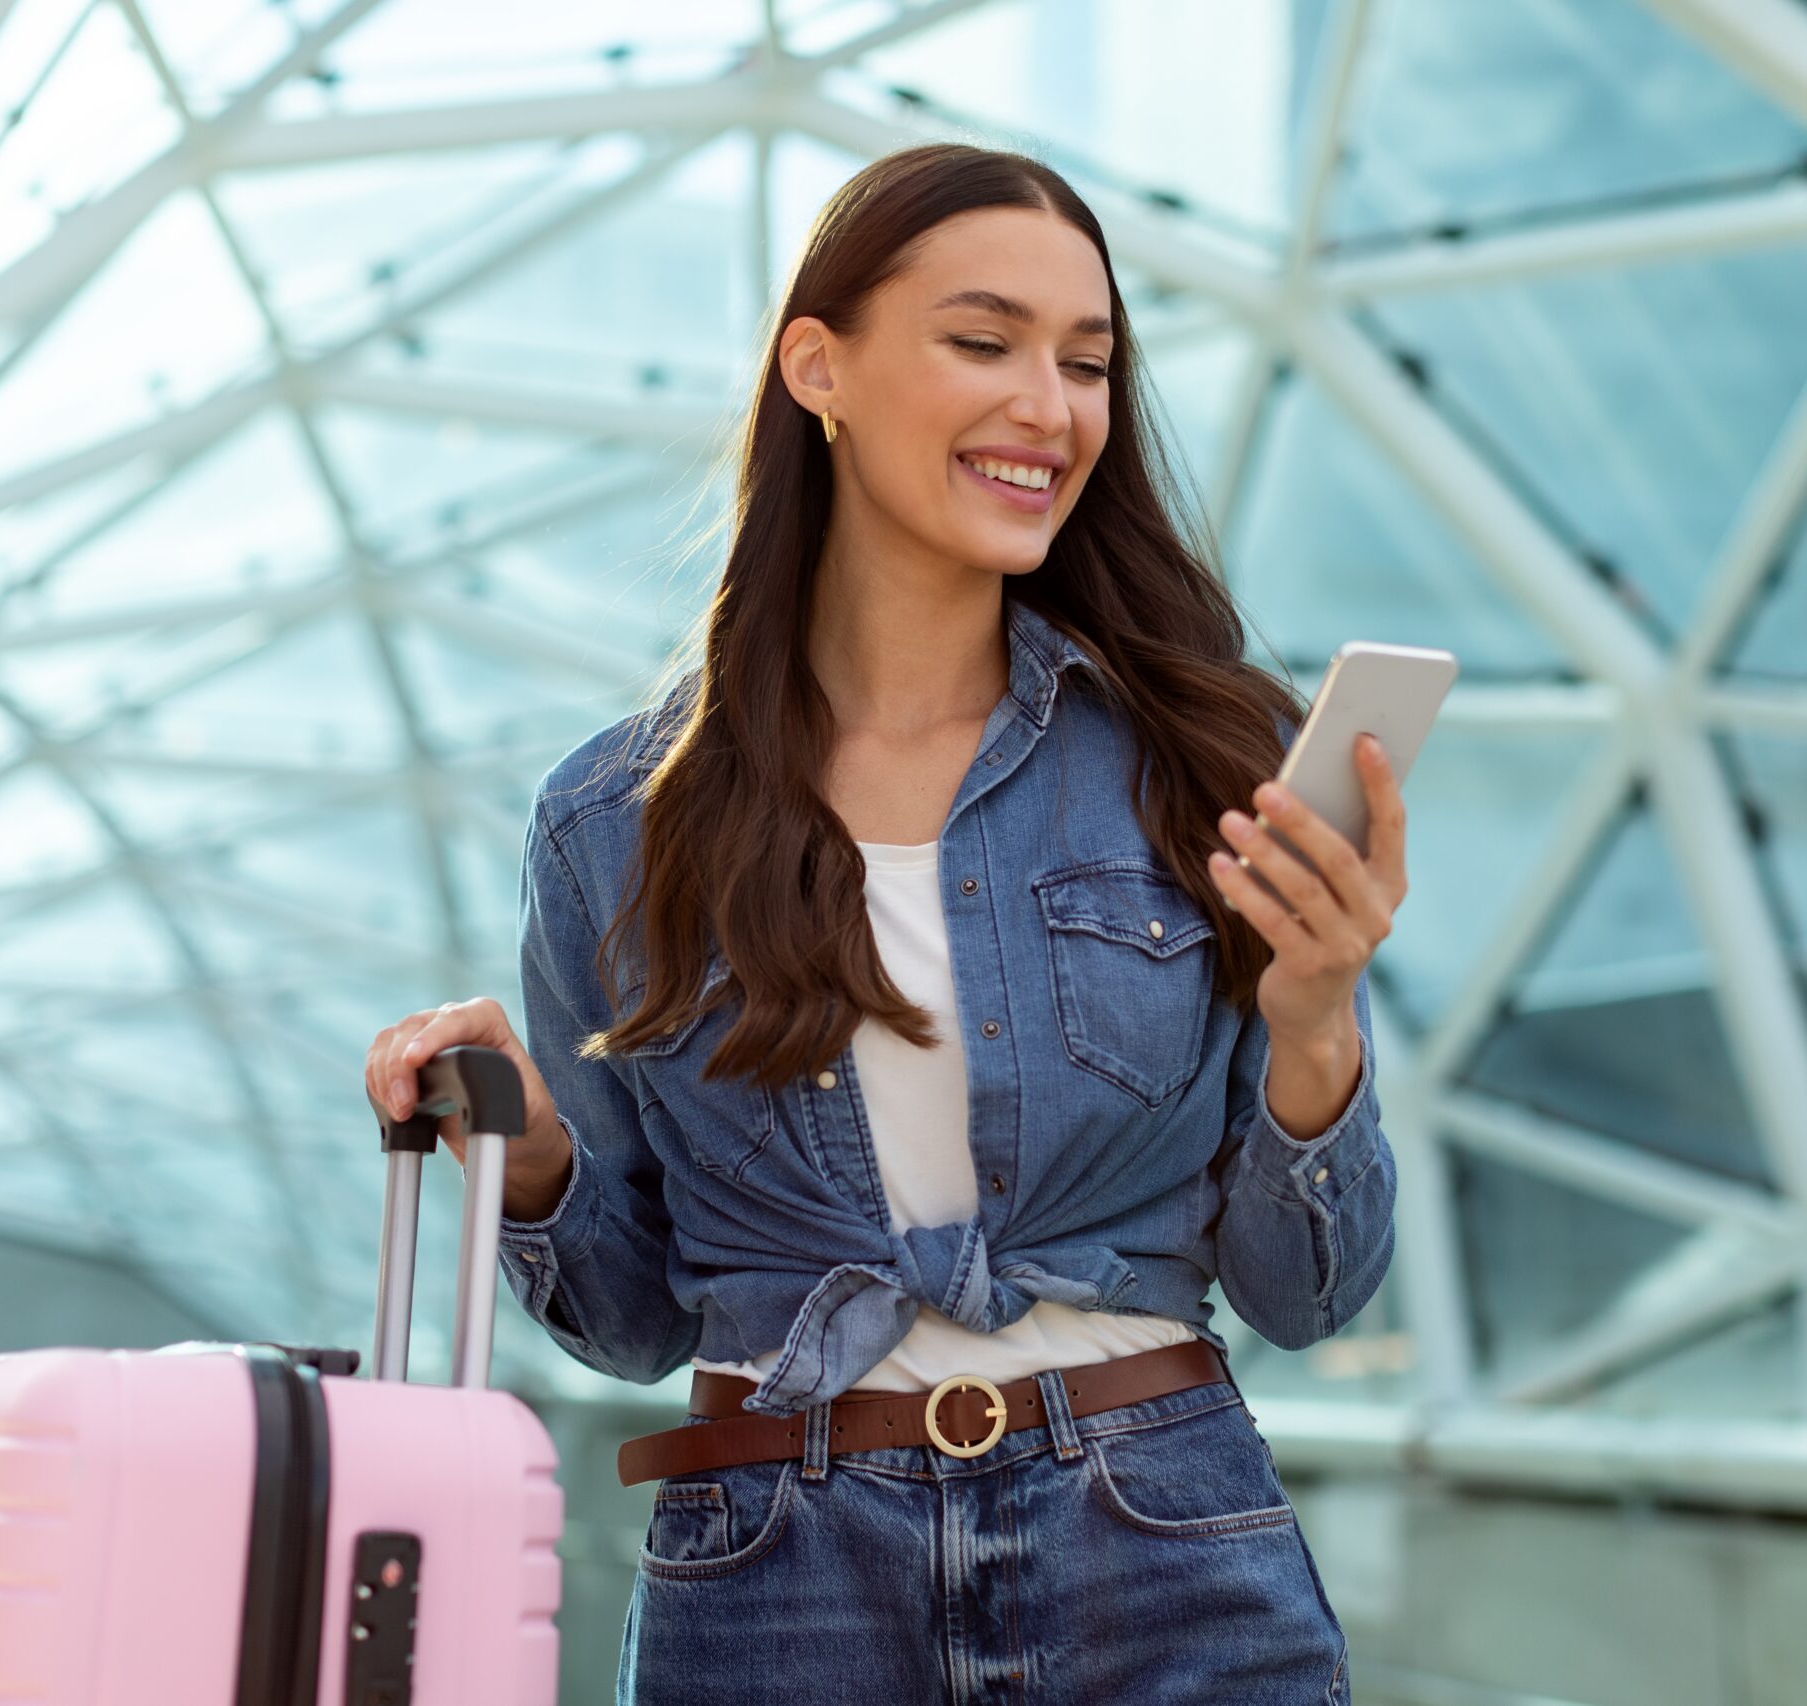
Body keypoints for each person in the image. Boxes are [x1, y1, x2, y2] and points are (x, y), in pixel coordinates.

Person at [363, 142, 1405, 1705]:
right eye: (983, 343)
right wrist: (527, 1154)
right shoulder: (615, 822)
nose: (1048, 409)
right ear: (819, 366)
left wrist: (1316, 1019)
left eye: (1088, 361)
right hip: (779, 1570)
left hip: (1162, 1547)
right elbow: (637, 1318)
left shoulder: (1203, 769)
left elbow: (1307, 1295)